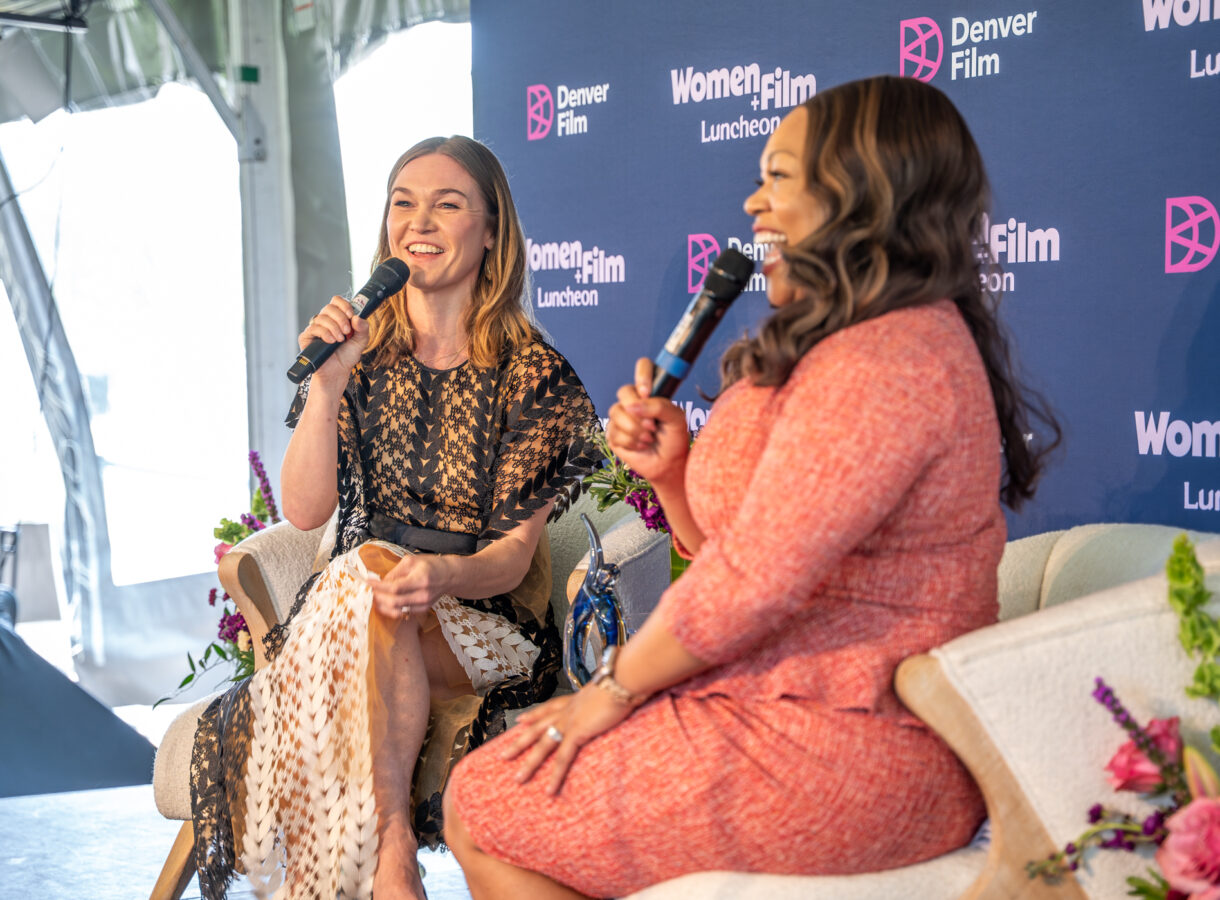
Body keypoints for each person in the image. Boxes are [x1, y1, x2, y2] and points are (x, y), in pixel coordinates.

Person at [442, 75, 1061, 898]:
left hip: (852, 745)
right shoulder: (847, 345)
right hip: (775, 707)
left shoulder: (891, 360)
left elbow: (752, 580)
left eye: (777, 177)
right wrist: (672, 475)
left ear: (858, 194)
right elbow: (738, 556)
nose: (753, 203)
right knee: (487, 795)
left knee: (485, 801)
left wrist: (612, 694)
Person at [188, 135, 600, 900]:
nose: (419, 221)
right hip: (361, 603)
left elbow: (511, 561)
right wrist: (327, 387)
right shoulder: (362, 356)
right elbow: (308, 512)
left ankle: (378, 860)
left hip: (481, 618)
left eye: (447, 204)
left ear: (491, 231)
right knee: (368, 583)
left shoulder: (534, 373)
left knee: (364, 590)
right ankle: (393, 852)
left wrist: (440, 571)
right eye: (403, 203)